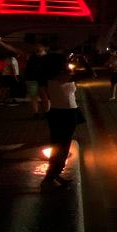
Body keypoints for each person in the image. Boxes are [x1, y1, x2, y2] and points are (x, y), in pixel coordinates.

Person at [41, 55, 79, 189]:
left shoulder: (46, 78)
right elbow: (91, 74)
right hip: (67, 112)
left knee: (57, 145)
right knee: (63, 146)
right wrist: (83, 61)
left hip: (54, 113)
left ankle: (53, 175)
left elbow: (45, 99)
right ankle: (51, 177)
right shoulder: (63, 78)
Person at [23, 45, 48, 115]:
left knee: (43, 96)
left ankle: (46, 112)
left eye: (39, 46)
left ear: (44, 47)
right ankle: (36, 113)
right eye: (36, 46)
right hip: (32, 79)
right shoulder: (32, 56)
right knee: (34, 96)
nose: (36, 48)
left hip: (41, 79)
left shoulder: (47, 57)